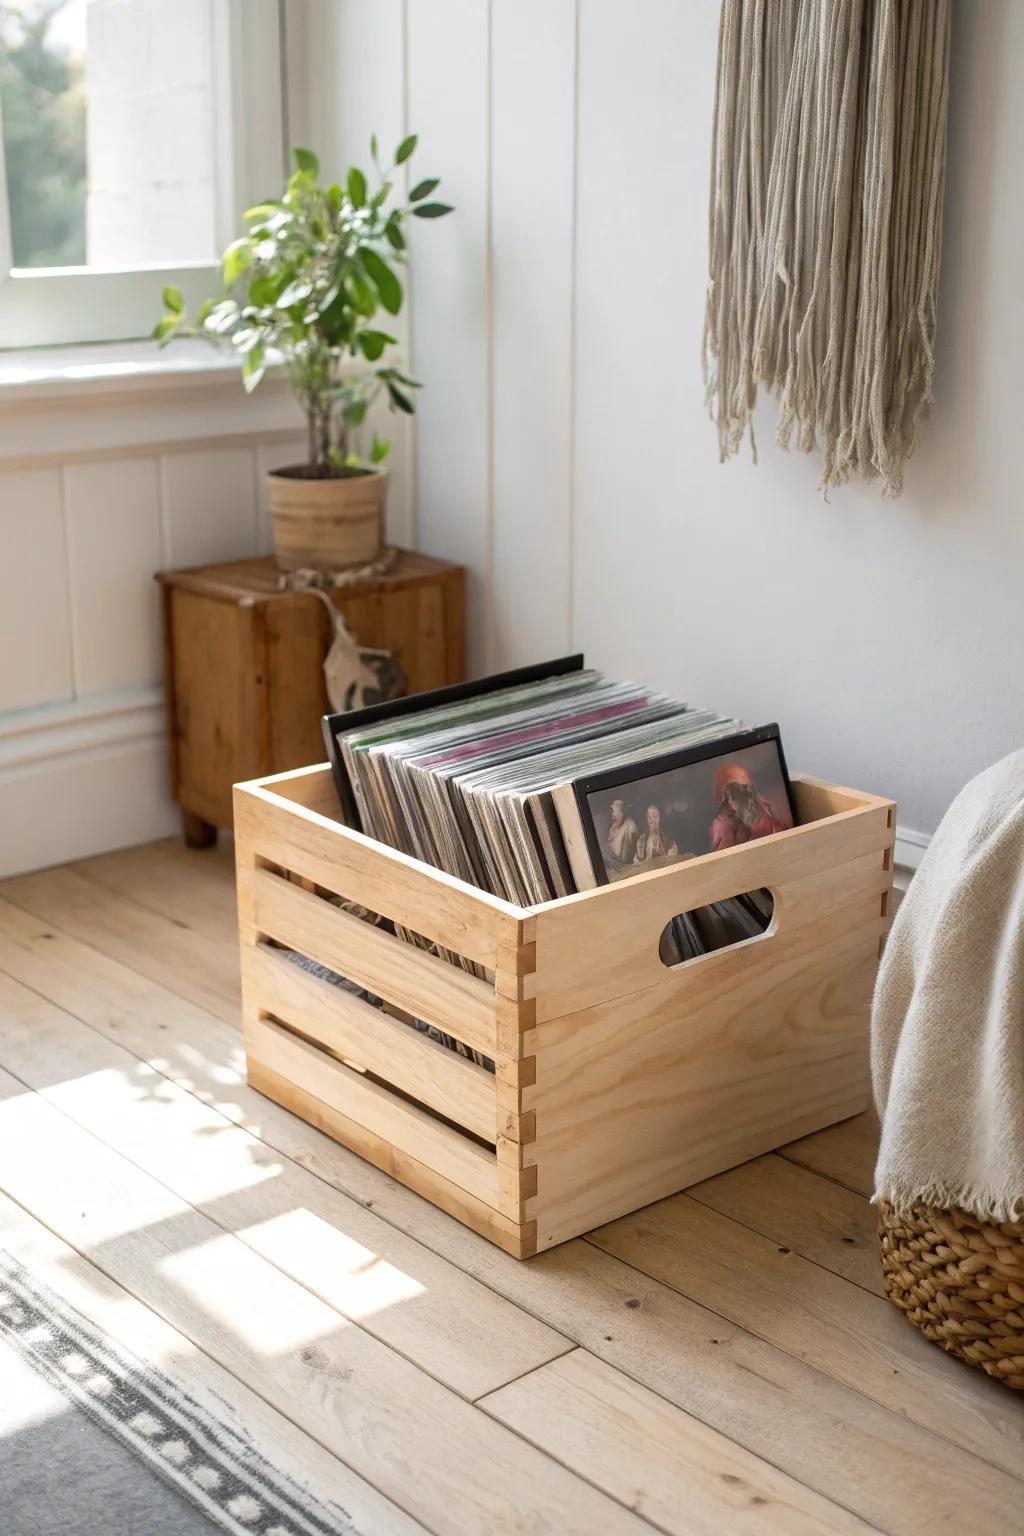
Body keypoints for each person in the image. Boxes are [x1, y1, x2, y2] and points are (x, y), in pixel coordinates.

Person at [709, 763, 791, 850]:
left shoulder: (762, 813)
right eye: (731, 796)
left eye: (740, 793)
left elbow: (780, 837)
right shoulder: (721, 826)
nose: (732, 801)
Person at [605, 798, 639, 868]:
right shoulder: (613, 826)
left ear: (621, 812)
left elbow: (626, 859)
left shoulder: (629, 826)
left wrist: (608, 855)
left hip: (625, 868)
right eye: (612, 812)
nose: (612, 814)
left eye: (614, 811)